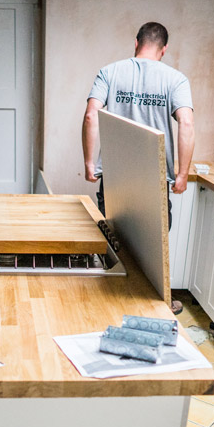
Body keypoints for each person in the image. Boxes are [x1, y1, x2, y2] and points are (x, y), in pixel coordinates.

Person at [81, 22, 195, 315]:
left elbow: (91, 115)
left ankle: (109, 302)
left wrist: (89, 162)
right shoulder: (176, 79)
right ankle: (155, 305)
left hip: (115, 176)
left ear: (136, 43)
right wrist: (182, 174)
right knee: (154, 246)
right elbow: (187, 122)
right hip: (154, 178)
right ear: (164, 49)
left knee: (114, 237)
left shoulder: (110, 71)